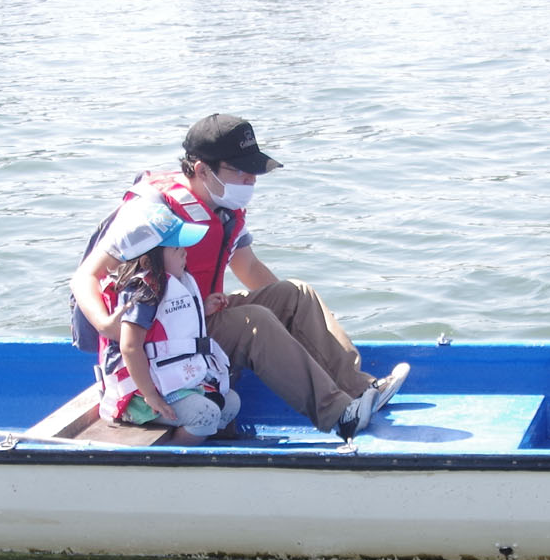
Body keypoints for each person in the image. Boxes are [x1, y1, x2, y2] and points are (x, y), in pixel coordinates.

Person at [70, 113, 407, 440]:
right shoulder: (152, 211)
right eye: (243, 172)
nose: (251, 180)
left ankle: (360, 388)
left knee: (294, 293)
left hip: (201, 316)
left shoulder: (223, 207)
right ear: (202, 169)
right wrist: (105, 324)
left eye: (254, 172)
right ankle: (339, 414)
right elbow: (86, 276)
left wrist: (290, 322)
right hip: (162, 337)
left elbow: (249, 269)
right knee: (254, 323)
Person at [96, 205, 241, 443]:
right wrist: (151, 395)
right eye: (176, 248)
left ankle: (196, 444)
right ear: (147, 259)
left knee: (231, 403)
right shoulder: (143, 293)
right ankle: (177, 460)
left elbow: (169, 326)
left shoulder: (176, 282)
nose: (185, 253)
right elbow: (130, 347)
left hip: (175, 383)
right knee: (206, 414)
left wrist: (203, 309)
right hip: (139, 396)